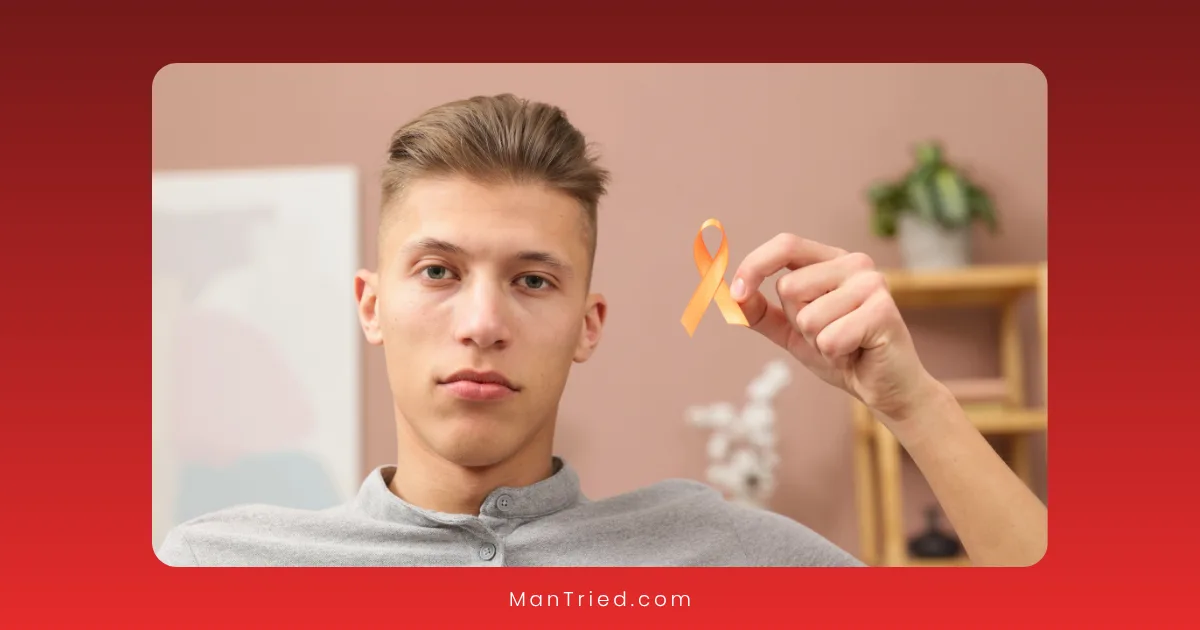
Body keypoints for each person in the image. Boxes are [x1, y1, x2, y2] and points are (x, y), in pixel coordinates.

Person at [156, 94, 1047, 567]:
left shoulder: (730, 558)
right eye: (438, 271)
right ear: (371, 304)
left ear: (588, 327)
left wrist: (916, 406)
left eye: (532, 280)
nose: (483, 323)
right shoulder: (216, 570)